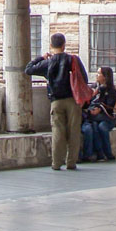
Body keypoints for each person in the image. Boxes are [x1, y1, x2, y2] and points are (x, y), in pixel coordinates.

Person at [25, 32, 88, 170]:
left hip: (56, 101)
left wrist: (41, 57)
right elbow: (85, 79)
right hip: (73, 99)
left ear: (51, 45)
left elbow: (28, 69)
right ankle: (71, 162)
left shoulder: (48, 62)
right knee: (74, 131)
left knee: (58, 131)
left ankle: (56, 163)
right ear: (64, 45)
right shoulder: (73, 60)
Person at [80, 65, 116, 162]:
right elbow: (86, 102)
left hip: (106, 117)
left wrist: (99, 109)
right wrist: (91, 96)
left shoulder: (111, 90)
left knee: (102, 127)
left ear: (105, 76)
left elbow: (110, 106)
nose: (97, 75)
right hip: (95, 116)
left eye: (99, 73)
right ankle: (100, 154)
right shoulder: (93, 87)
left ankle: (108, 153)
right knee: (96, 127)